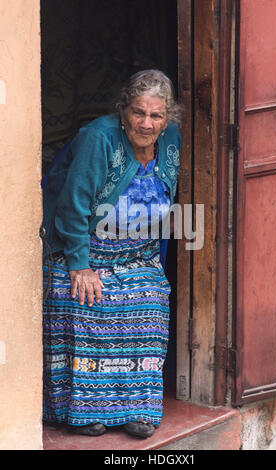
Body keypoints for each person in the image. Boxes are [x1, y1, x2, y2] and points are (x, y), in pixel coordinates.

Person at [42, 69, 182, 438]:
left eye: (156, 115)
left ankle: (136, 408)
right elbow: (73, 207)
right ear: (123, 111)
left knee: (150, 297)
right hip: (84, 246)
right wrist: (79, 265)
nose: (147, 123)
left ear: (168, 117)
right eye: (139, 112)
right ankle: (87, 410)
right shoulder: (98, 138)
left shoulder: (172, 139)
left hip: (138, 253)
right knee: (88, 298)